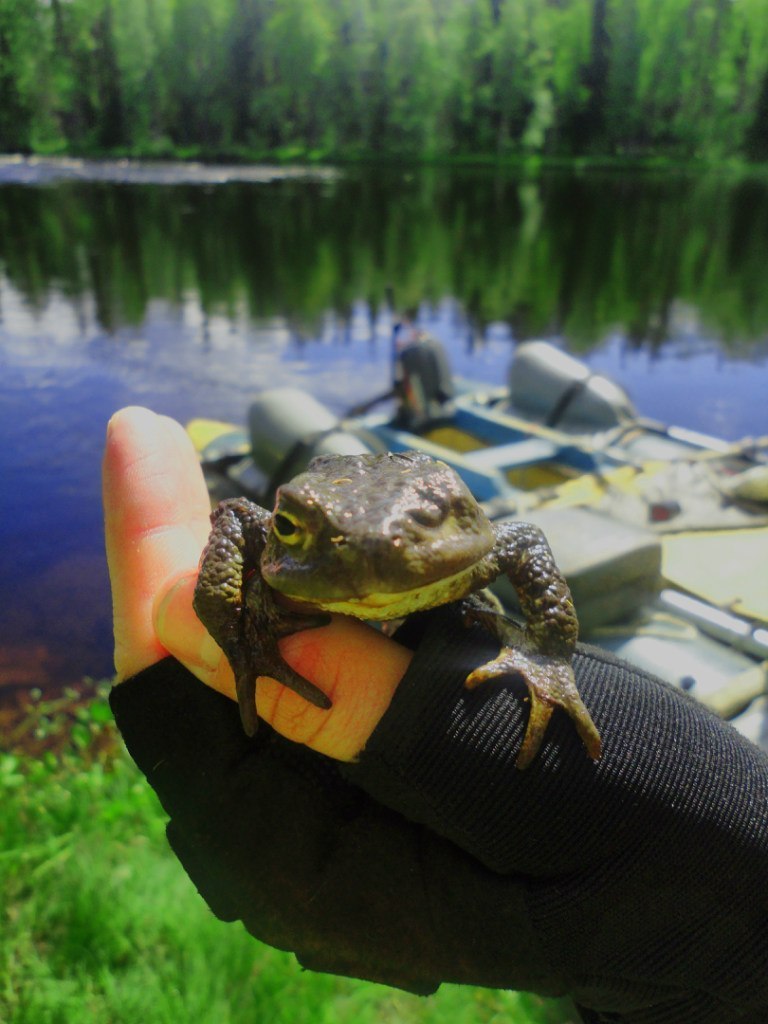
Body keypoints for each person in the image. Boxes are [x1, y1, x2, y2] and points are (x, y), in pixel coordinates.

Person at [104, 406, 768, 1024]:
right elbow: (237, 520)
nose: (373, 557)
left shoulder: (476, 551)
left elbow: (521, 539)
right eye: (292, 527)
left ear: (458, 514)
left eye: (430, 523)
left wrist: (548, 654)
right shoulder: (276, 533)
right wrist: (235, 628)